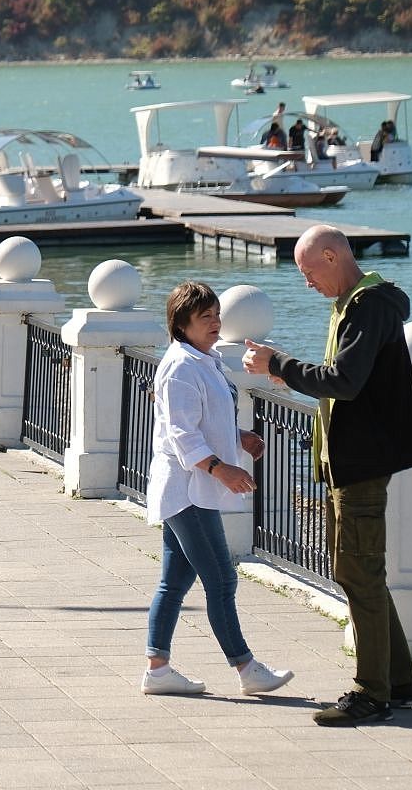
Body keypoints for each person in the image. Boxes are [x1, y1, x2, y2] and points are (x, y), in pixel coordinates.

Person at [241, 224, 412, 726]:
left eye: (307, 272)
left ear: (330, 256)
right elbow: (349, 381)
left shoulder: (367, 306)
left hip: (362, 464)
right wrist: (289, 373)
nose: (306, 283)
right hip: (351, 462)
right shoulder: (356, 305)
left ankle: (373, 694)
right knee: (358, 571)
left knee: (358, 572)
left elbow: (343, 382)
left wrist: (277, 362)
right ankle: (399, 684)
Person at [141, 280, 295, 699]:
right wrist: (220, 468)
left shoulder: (202, 360)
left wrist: (239, 436)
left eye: (216, 315)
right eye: (205, 317)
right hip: (188, 490)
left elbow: (205, 417)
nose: (215, 323)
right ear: (181, 324)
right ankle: (246, 668)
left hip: (191, 489)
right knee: (222, 580)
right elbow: (180, 433)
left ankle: (158, 670)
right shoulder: (180, 367)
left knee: (174, 582)